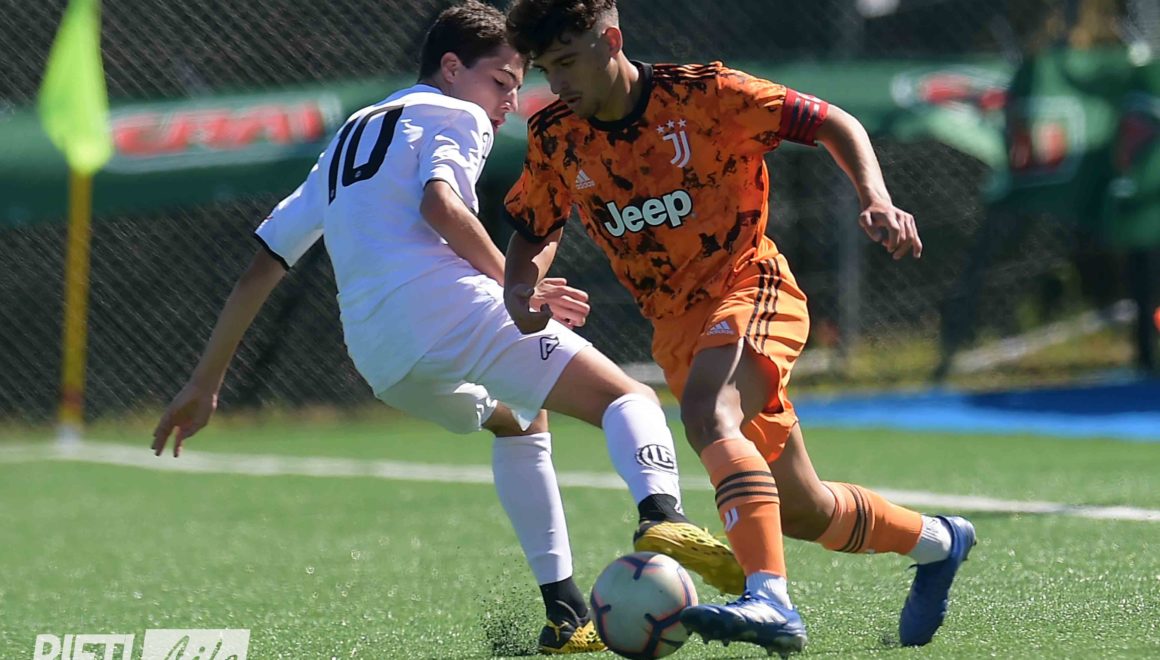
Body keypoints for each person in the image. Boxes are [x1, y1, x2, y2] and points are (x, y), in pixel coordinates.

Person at [150, 1, 741, 654]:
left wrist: (204, 384)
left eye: (518, 87)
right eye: (501, 81)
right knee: (628, 399)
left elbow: (261, 267)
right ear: (453, 68)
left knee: (520, 421)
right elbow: (441, 201)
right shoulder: (457, 114)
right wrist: (518, 286)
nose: (508, 102)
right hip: (449, 309)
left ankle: (565, 612)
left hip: (380, 356)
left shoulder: (348, 136)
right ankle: (661, 514)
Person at [502, 0, 976, 654]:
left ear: (610, 40)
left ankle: (770, 599)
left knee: (708, 413)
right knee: (804, 509)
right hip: (676, 331)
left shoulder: (706, 95)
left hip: (750, 285)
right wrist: (520, 290)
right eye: (545, 70)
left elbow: (834, 122)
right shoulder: (556, 134)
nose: (557, 83)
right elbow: (534, 228)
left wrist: (876, 198)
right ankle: (940, 542)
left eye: (566, 62)